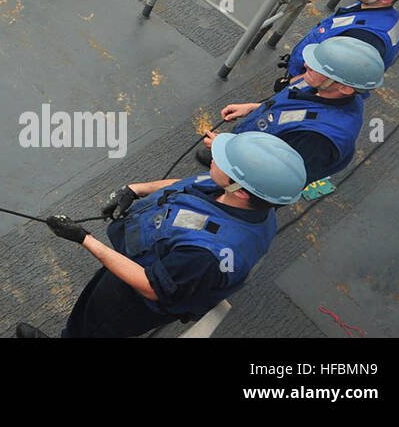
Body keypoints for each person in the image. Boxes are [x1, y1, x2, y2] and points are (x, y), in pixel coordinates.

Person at [19, 132, 305, 338]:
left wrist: (83, 238)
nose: (213, 156)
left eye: (223, 162)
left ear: (240, 190)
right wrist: (135, 189)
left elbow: (150, 286)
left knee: (97, 330)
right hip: (140, 259)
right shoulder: (243, 199)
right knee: (86, 314)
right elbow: (187, 184)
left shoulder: (207, 255)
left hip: (134, 298)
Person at [198, 37, 382, 184]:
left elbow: (276, 177)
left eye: (319, 67)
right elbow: (291, 107)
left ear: (345, 88)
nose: (307, 65)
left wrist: (229, 156)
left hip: (249, 183)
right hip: (254, 142)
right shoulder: (321, 86)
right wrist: (255, 109)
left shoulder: (319, 141)